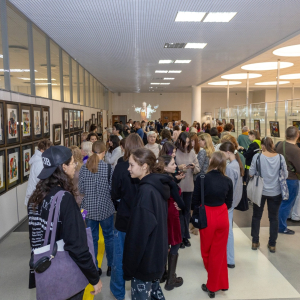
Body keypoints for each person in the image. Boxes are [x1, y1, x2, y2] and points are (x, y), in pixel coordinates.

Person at [28, 146, 102, 298]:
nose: (75, 165)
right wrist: (94, 278)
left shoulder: (36, 197)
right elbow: (77, 245)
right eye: (73, 162)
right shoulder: (64, 199)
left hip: (45, 271)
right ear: (63, 167)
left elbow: (34, 237)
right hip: (64, 276)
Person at [123, 148, 170, 299]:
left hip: (145, 262)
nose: (128, 168)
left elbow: (138, 236)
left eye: (131, 165)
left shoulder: (145, 193)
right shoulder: (157, 186)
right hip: (156, 257)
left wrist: (129, 268)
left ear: (144, 166)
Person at [192, 152, 233, 298]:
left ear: (211, 162)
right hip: (222, 215)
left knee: (206, 252)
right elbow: (229, 202)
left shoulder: (202, 178)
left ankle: (212, 284)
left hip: (207, 215)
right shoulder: (228, 181)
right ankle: (219, 283)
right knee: (219, 253)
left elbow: (195, 200)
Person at [110, 133, 144, 300]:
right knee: (140, 256)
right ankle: (139, 291)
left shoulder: (121, 167)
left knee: (119, 258)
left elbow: (114, 192)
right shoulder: (146, 167)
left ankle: (118, 293)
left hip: (124, 218)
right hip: (142, 221)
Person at [79, 141, 115, 277]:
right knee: (109, 237)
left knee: (92, 239)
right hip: (106, 208)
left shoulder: (84, 168)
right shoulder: (109, 168)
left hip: (88, 209)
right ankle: (110, 266)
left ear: (92, 151)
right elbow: (112, 189)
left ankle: (95, 267)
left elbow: (81, 189)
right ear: (104, 152)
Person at [250, 137, 288, 252]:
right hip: (276, 192)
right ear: (272, 145)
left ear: (262, 145)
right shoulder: (281, 158)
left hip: (259, 192)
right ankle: (272, 244)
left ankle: (255, 242)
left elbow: (251, 173)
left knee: (256, 216)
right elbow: (285, 175)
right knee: (273, 218)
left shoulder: (257, 157)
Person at [158, 155, 185, 291]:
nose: (175, 166)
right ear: (165, 166)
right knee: (175, 243)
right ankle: (171, 280)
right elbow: (180, 202)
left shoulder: (159, 178)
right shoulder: (170, 181)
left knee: (164, 242)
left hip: (162, 213)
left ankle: (162, 274)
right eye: (173, 164)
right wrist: (182, 205)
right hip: (172, 214)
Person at [219, 141, 243, 267]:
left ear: (228, 152)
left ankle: (229, 259)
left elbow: (228, 188)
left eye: (222, 153)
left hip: (229, 203)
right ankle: (229, 257)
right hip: (233, 202)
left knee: (228, 232)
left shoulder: (229, 167)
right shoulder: (236, 164)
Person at [175, 132, 200, 248]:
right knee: (178, 213)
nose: (186, 145)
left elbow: (198, 167)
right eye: (185, 142)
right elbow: (169, 168)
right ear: (179, 141)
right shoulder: (175, 151)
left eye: (188, 142)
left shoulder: (192, 152)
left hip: (189, 186)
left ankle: (185, 236)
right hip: (178, 186)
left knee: (186, 212)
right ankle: (179, 237)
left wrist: (193, 167)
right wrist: (179, 168)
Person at [276, 126, 300, 235]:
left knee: (282, 202)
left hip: (280, 178)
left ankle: (277, 224)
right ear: (297, 135)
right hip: (291, 179)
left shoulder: (280, 145)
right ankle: (282, 227)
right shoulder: (296, 150)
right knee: (287, 203)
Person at [25, 139, 53, 206]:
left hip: (37, 196)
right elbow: (42, 181)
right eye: (48, 150)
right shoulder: (40, 163)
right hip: (36, 198)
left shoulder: (40, 159)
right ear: (42, 150)